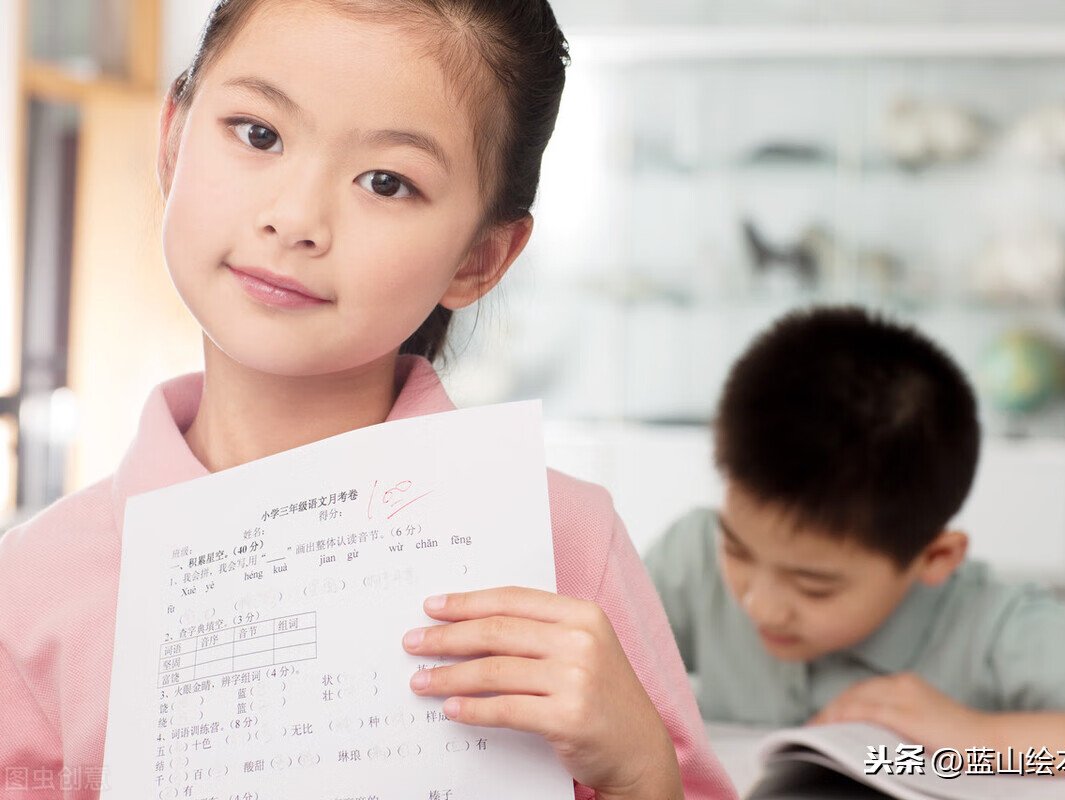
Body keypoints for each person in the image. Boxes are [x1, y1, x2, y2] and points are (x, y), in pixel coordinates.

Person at [0, 2, 736, 798]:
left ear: (480, 258)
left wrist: (639, 769)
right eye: (258, 134)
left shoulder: (569, 546)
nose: (296, 219)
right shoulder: (32, 589)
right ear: (174, 140)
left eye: (387, 182)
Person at [644, 306, 1065, 783]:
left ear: (935, 558)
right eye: (738, 552)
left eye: (814, 586)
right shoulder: (693, 558)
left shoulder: (994, 629)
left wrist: (984, 741)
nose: (760, 605)